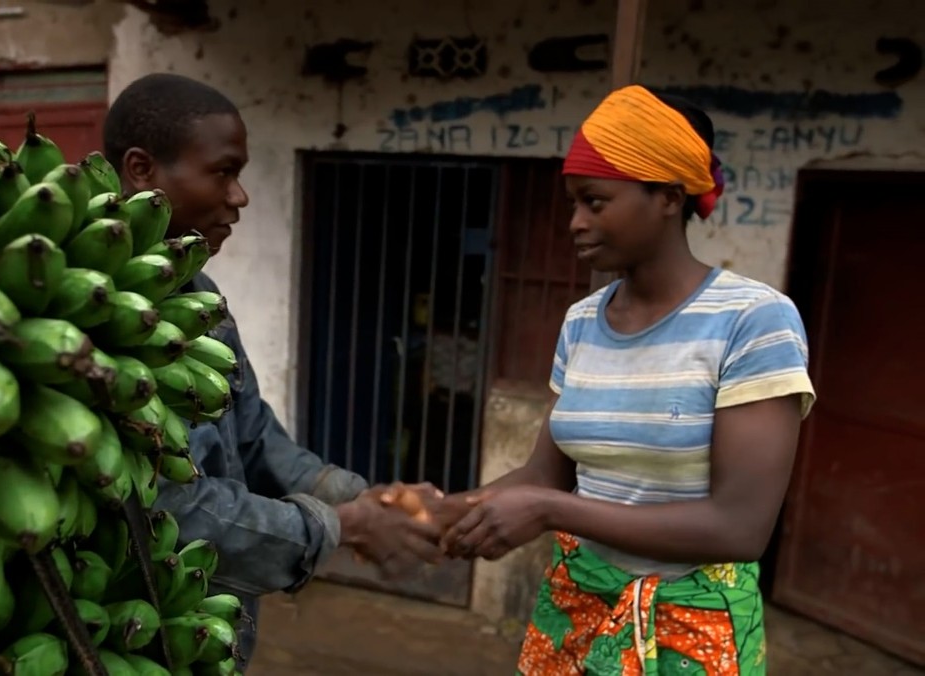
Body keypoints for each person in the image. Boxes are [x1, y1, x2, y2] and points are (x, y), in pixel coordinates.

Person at [402, 85, 817, 674]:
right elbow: (545, 475)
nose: (575, 222)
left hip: (689, 627)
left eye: (595, 201)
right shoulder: (582, 323)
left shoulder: (753, 320)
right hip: (575, 606)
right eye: (573, 202)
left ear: (669, 197)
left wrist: (550, 511)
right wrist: (431, 514)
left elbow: (739, 527)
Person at [101, 73, 443, 668]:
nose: (240, 196)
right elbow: (169, 510)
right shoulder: (89, 318)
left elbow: (253, 435)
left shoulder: (198, 294)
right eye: (222, 172)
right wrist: (339, 528)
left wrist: (362, 498)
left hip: (206, 633)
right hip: (120, 635)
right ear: (141, 170)